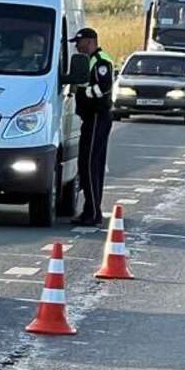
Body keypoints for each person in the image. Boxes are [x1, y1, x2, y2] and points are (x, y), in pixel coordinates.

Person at [71, 27, 114, 228]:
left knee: (90, 164)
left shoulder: (100, 61)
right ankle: (90, 210)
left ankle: (94, 213)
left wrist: (82, 93)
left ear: (89, 42)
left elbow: (103, 87)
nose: (77, 47)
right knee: (87, 164)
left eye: (79, 43)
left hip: (98, 116)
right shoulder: (92, 60)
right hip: (92, 118)